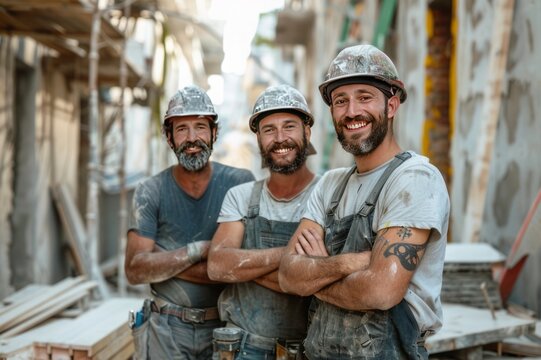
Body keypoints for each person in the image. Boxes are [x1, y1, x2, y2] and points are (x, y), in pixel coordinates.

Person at [278, 44, 450, 359]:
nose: (352, 111)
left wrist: (314, 275)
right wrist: (351, 262)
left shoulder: (415, 180)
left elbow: (381, 291)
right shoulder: (330, 186)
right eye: (340, 101)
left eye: (365, 97)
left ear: (392, 105)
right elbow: (288, 275)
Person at [125, 85, 255, 359]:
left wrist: (162, 259)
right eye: (182, 129)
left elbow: (241, 266)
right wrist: (199, 250)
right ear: (169, 138)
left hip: (226, 330)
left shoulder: (239, 184)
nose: (192, 138)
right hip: (165, 331)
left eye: (200, 127)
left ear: (214, 133)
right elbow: (135, 270)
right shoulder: (150, 191)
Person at [207, 84, 320, 359]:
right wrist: (292, 258)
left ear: (307, 131)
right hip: (241, 348)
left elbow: (320, 280)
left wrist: (247, 268)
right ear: (258, 139)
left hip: (307, 350)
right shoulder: (241, 196)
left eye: (289, 126)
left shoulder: (329, 195)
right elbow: (218, 266)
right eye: (269, 130)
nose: (280, 138)